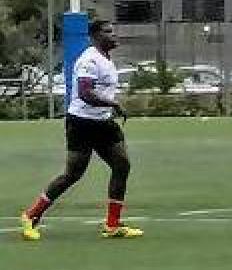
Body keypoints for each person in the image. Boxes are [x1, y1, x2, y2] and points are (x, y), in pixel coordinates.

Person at [20, 20, 142, 240]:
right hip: (82, 123)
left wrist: (109, 108)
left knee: (122, 164)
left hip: (103, 123)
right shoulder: (89, 59)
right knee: (72, 174)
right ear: (95, 36)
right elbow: (85, 93)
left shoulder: (105, 58)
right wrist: (113, 104)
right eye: (108, 32)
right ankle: (31, 215)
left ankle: (112, 225)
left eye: (113, 31)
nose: (113, 35)